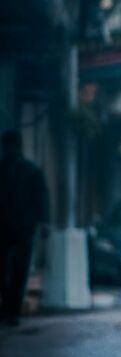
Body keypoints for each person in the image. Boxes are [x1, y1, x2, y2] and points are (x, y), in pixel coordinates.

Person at [0, 130, 49, 325]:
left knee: (19, 269)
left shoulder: (31, 171)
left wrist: (43, 223)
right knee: (5, 268)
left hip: (24, 226)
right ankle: (8, 308)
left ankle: (12, 311)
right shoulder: (3, 169)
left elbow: (42, 198)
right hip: (7, 226)